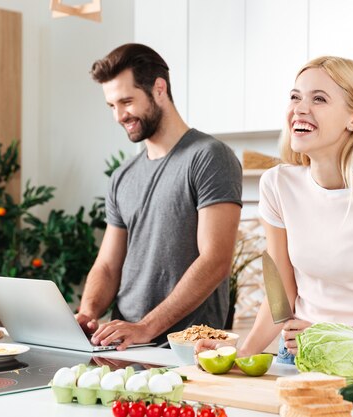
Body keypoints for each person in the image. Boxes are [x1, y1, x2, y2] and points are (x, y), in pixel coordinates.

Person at [196, 56, 353, 364]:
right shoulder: (278, 185)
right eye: (295, 97)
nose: (299, 108)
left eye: (319, 99)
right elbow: (281, 293)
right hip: (296, 356)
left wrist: (335, 344)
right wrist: (241, 353)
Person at [76, 43, 243, 350]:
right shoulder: (122, 176)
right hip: (123, 345)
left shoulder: (209, 157)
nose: (119, 116)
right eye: (111, 106)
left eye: (126, 101)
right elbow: (108, 266)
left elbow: (215, 260)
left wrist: (146, 327)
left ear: (159, 89)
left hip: (185, 348)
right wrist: (87, 313)